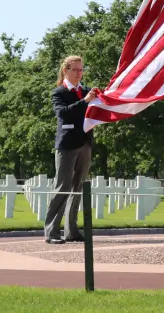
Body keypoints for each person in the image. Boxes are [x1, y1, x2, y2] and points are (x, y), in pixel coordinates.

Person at [43, 55, 96, 244]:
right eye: (75, 70)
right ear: (65, 70)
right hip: (67, 145)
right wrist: (85, 101)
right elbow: (63, 113)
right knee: (62, 187)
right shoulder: (59, 92)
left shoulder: (87, 91)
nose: (79, 74)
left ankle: (71, 231)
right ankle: (51, 232)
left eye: (81, 70)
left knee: (78, 188)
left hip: (85, 143)